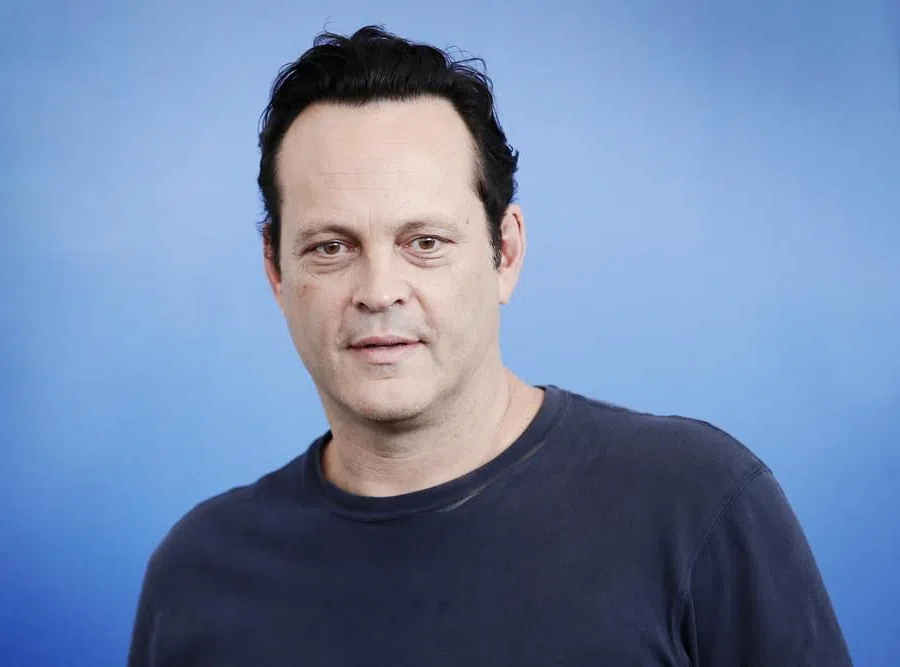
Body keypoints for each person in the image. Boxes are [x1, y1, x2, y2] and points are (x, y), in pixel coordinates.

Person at [127, 25, 852, 666]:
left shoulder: (697, 506)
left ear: (505, 253)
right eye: (331, 247)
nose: (379, 289)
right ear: (275, 270)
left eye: (425, 242)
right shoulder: (197, 573)